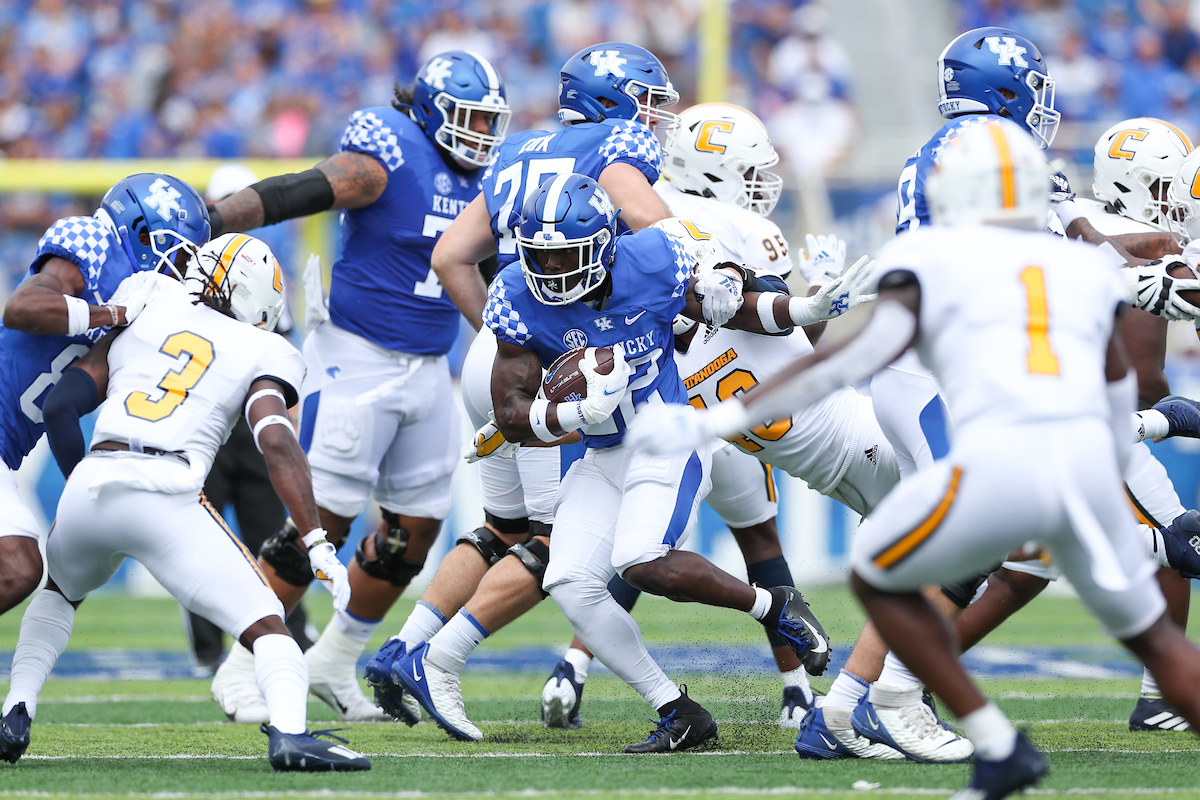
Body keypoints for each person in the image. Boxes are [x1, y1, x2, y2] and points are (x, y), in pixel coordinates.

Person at [627, 118, 1200, 798]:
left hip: (1004, 473)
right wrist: (1154, 426)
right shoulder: (1082, 266)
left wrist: (719, 419)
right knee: (1155, 641)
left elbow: (846, 359)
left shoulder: (934, 262)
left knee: (880, 574)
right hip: (1075, 471)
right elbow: (1111, 398)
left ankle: (963, 726)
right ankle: (1156, 552)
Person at [437, 172, 857, 751]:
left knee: (638, 558)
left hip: (667, 437)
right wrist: (572, 415)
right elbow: (511, 410)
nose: (552, 273)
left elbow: (729, 306)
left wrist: (803, 306)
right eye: (540, 257)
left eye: (566, 257)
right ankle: (679, 710)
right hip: (602, 450)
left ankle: (773, 604)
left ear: (604, 244)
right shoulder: (514, 291)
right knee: (568, 580)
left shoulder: (657, 256)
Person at [363, 41, 687, 733]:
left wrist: (504, 332)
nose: (655, 118)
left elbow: (451, 255)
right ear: (613, 102)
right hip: (556, 357)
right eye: (648, 102)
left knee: (501, 527)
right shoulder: (617, 143)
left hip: (500, 353)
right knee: (551, 537)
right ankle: (432, 658)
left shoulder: (518, 153)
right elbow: (658, 232)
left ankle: (401, 647)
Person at [205, 51, 512, 723]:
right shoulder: (389, 154)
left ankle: (337, 659)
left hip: (431, 364)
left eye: (491, 121)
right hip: (356, 358)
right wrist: (211, 222)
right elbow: (299, 190)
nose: (482, 134)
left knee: (416, 530)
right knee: (325, 521)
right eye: (469, 119)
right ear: (430, 114)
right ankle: (238, 667)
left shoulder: (492, 180)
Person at [1, 233, 369, 772]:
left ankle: (16, 710)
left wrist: (82, 485)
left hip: (95, 479)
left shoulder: (148, 294)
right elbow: (275, 439)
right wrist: (315, 540)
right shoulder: (268, 349)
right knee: (269, 622)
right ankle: (290, 735)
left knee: (58, 592)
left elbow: (65, 402)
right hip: (167, 491)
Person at [0, 173, 210, 620]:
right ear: (140, 229)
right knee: (17, 566)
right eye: (175, 247)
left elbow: (64, 407)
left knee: (16, 567)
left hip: (5, 453)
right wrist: (111, 313)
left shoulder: (144, 303)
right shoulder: (92, 240)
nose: (179, 265)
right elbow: (21, 309)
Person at [184, 164, 314, 675]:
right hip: (202, 425)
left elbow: (282, 352)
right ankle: (208, 650)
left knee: (269, 537)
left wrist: (291, 422)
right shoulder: (187, 279)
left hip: (254, 426)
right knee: (198, 538)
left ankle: (289, 635)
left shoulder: (259, 271)